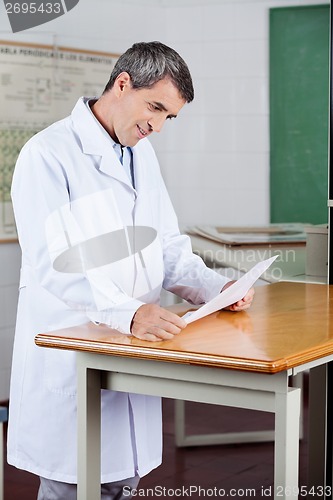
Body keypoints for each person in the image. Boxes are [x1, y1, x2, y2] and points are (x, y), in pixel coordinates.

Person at [7, 41, 254, 500]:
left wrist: (216, 286)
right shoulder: (47, 155)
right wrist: (131, 313)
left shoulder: (140, 153)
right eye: (155, 108)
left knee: (122, 482)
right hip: (73, 356)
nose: (157, 126)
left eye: (169, 118)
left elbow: (167, 246)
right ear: (122, 84)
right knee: (72, 486)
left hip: (129, 359)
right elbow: (53, 265)